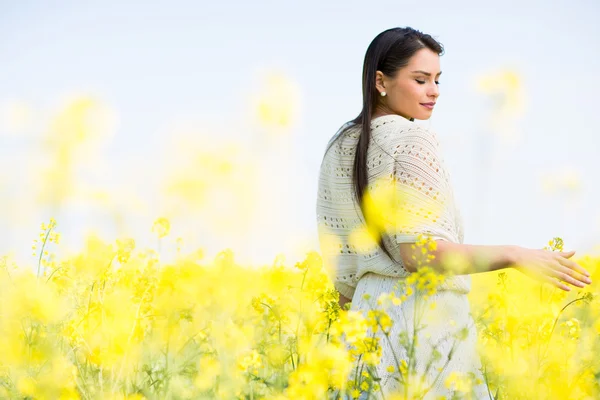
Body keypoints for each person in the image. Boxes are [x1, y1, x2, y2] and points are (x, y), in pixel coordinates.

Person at [315, 27, 592, 399]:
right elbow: (418, 254)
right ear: (381, 81)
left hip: (364, 325)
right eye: (420, 79)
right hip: (423, 323)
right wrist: (515, 254)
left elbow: (342, 270)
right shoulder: (412, 138)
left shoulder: (339, 144)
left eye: (437, 80)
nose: (434, 91)